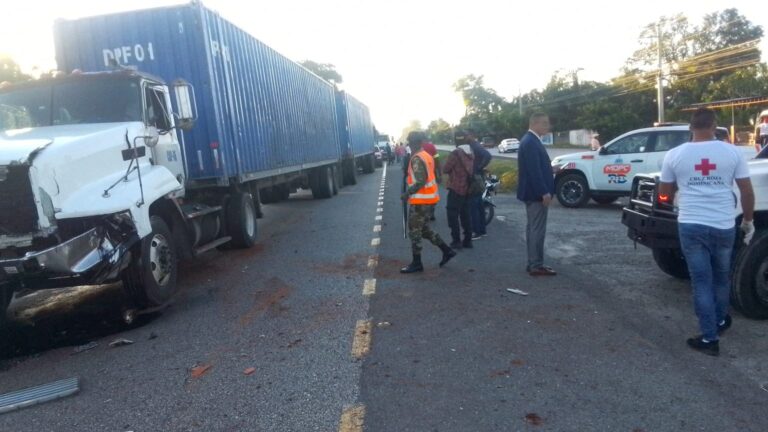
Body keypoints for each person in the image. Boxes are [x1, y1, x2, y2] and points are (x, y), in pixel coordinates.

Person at [658, 108, 755, 356]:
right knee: (722, 277)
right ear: (714, 126)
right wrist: (747, 221)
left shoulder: (674, 155)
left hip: (691, 224)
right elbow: (746, 190)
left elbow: (664, 192)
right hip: (723, 224)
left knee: (701, 281)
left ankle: (709, 338)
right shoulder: (732, 152)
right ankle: (721, 320)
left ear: (691, 128)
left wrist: (671, 197)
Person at [400, 131, 456, 274]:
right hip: (429, 199)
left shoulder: (417, 158)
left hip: (420, 200)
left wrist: (407, 194)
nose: (410, 146)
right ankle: (447, 250)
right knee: (424, 230)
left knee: (415, 231)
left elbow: (420, 180)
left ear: (414, 143)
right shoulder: (427, 156)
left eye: (410, 143)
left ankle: (417, 263)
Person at [517, 113, 557, 276]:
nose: (548, 126)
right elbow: (534, 171)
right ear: (535, 124)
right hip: (536, 194)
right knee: (537, 230)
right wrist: (544, 192)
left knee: (533, 228)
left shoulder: (530, 140)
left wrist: (551, 169)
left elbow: (537, 167)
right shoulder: (531, 142)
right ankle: (536, 265)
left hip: (532, 192)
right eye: (545, 123)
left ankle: (533, 263)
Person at [441, 135, 475, 249]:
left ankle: (456, 240)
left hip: (456, 187)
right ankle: (468, 240)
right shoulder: (471, 152)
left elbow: (446, 169)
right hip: (467, 187)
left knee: (452, 214)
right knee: (466, 214)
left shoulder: (455, 153)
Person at [461, 130, 491, 240]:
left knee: (473, 206)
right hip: (478, 178)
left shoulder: (474, 145)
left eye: (467, 135)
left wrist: (478, 167)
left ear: (472, 135)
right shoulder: (473, 145)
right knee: (479, 205)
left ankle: (477, 231)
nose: (465, 137)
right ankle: (482, 231)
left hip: (475, 179)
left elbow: (487, 155)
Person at [421, 141, 440, 221]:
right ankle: (431, 213)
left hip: (421, 173)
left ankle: (425, 213)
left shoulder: (417, 146)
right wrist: (439, 173)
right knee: (432, 193)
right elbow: (437, 159)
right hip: (432, 173)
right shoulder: (431, 146)